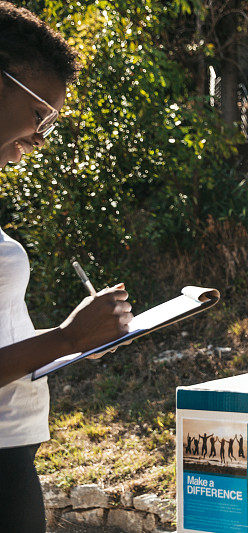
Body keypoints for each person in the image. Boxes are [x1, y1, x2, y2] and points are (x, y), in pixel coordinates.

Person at [0, 4, 132, 531]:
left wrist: (79, 337)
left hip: (13, 450)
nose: (42, 135)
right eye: (40, 114)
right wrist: (66, 337)